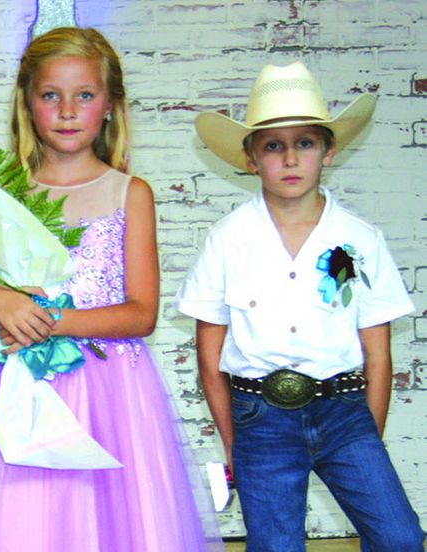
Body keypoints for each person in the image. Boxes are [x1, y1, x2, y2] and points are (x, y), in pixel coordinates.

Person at [0, 27, 218, 550]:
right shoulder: (2, 197)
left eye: (84, 95)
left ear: (109, 105)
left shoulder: (129, 193)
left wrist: (48, 321)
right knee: (25, 526)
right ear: (28, 104)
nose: (67, 110)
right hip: (24, 389)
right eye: (51, 96)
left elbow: (141, 314)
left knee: (113, 524)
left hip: (112, 396)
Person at [178, 61, 424, 550]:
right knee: (275, 546)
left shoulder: (359, 240)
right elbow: (210, 357)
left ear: (328, 152)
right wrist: (235, 444)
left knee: (400, 538)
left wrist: (366, 435)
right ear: (251, 159)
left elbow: (378, 353)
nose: (290, 159)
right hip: (259, 418)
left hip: (345, 414)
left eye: (304, 144)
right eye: (273, 146)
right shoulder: (227, 241)